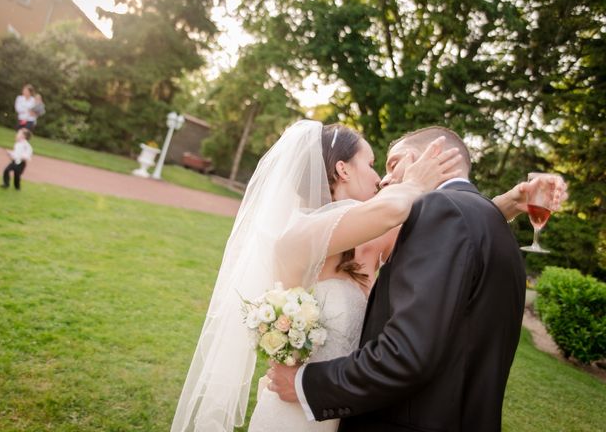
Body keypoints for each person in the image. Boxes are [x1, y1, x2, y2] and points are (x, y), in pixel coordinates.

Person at [170, 121, 566, 432]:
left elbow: (452, 229)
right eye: (373, 162)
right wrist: (413, 178)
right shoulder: (298, 236)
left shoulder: (369, 238)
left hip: (344, 406)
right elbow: (400, 210)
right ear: (342, 168)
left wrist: (508, 204)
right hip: (296, 407)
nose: (380, 177)